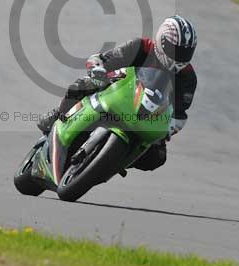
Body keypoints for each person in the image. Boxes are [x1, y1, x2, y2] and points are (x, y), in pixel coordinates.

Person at [37, 15, 198, 172]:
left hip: (147, 118)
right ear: (162, 40)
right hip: (116, 93)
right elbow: (101, 59)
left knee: (158, 157)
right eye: (175, 50)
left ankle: (114, 161)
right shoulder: (139, 47)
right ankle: (58, 116)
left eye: (185, 53)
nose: (179, 57)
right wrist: (98, 70)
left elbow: (179, 114)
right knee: (83, 85)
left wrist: (168, 130)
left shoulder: (187, 78)